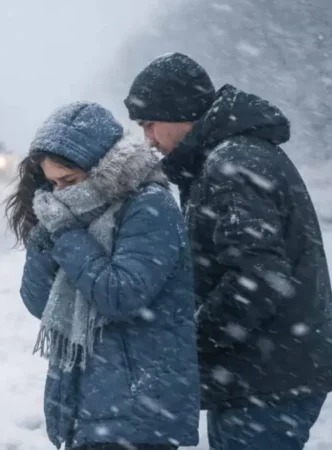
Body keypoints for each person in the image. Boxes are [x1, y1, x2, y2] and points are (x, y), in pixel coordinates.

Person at [125, 52, 332, 449]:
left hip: (267, 377)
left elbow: (259, 278)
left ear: (179, 112)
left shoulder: (231, 164)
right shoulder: (225, 158)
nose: (147, 138)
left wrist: (195, 339)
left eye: (150, 124)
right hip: (266, 372)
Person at [6, 102, 200, 450]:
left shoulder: (149, 206)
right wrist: (45, 236)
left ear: (102, 168)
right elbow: (38, 301)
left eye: (70, 180)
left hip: (139, 405)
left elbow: (120, 296)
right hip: (87, 399)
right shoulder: (65, 215)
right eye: (52, 184)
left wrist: (66, 235)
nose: (61, 193)